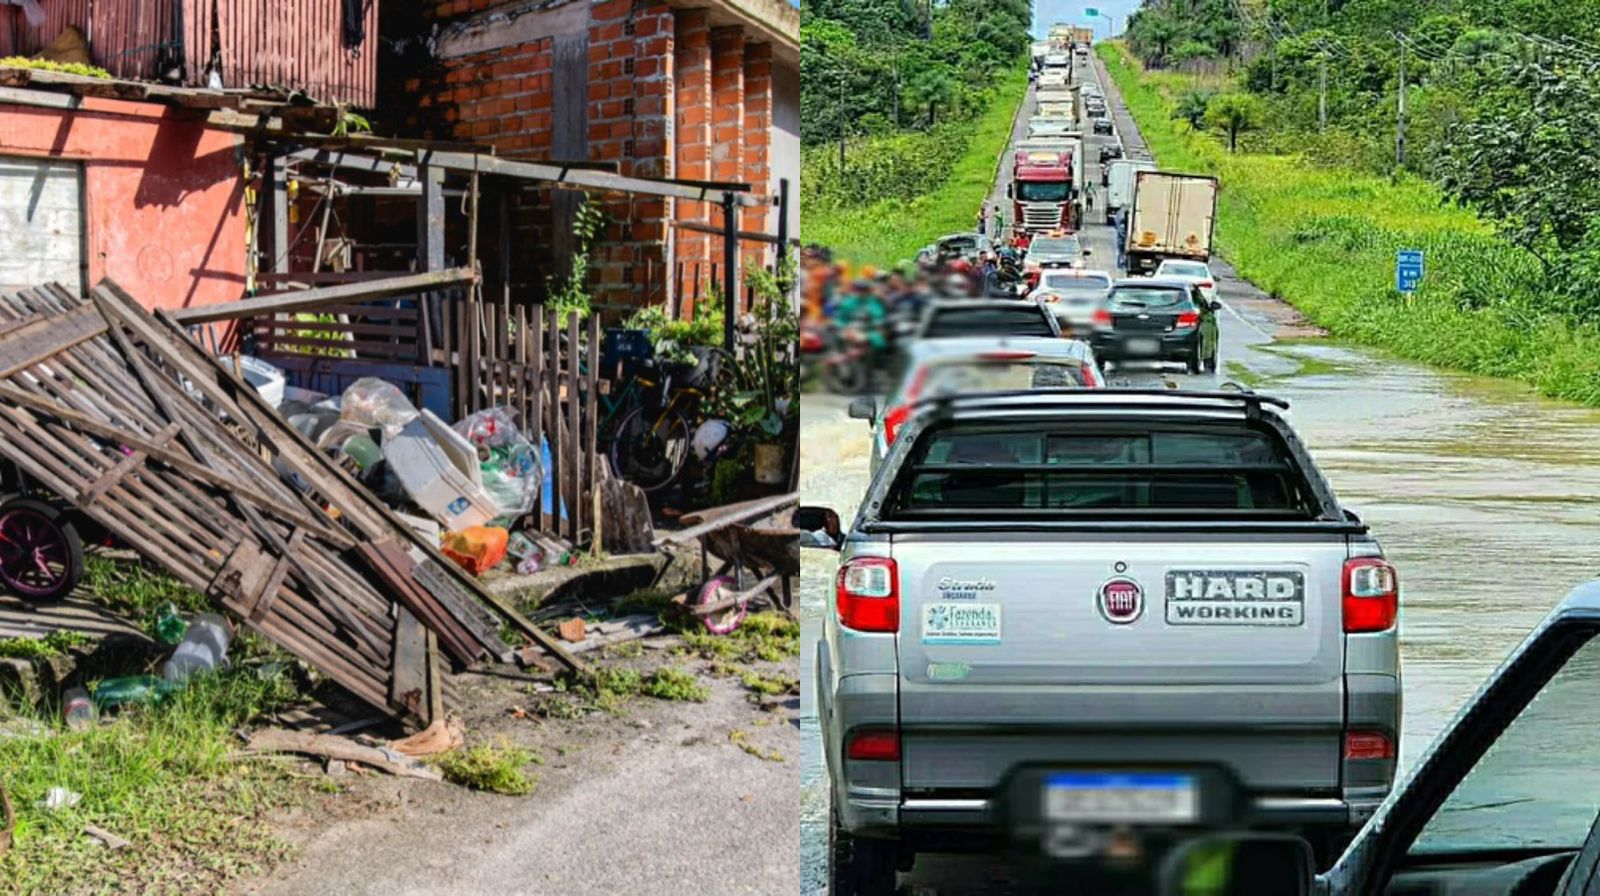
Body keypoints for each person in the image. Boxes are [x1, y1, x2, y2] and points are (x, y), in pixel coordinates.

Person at [1113, 205, 1130, 271]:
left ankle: (1121, 263)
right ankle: (1119, 264)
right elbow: (1121, 232)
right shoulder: (1123, 223)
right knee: (1121, 252)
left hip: (1121, 240)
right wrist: (1124, 236)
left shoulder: (1123, 222)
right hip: (1121, 241)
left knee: (1121, 253)